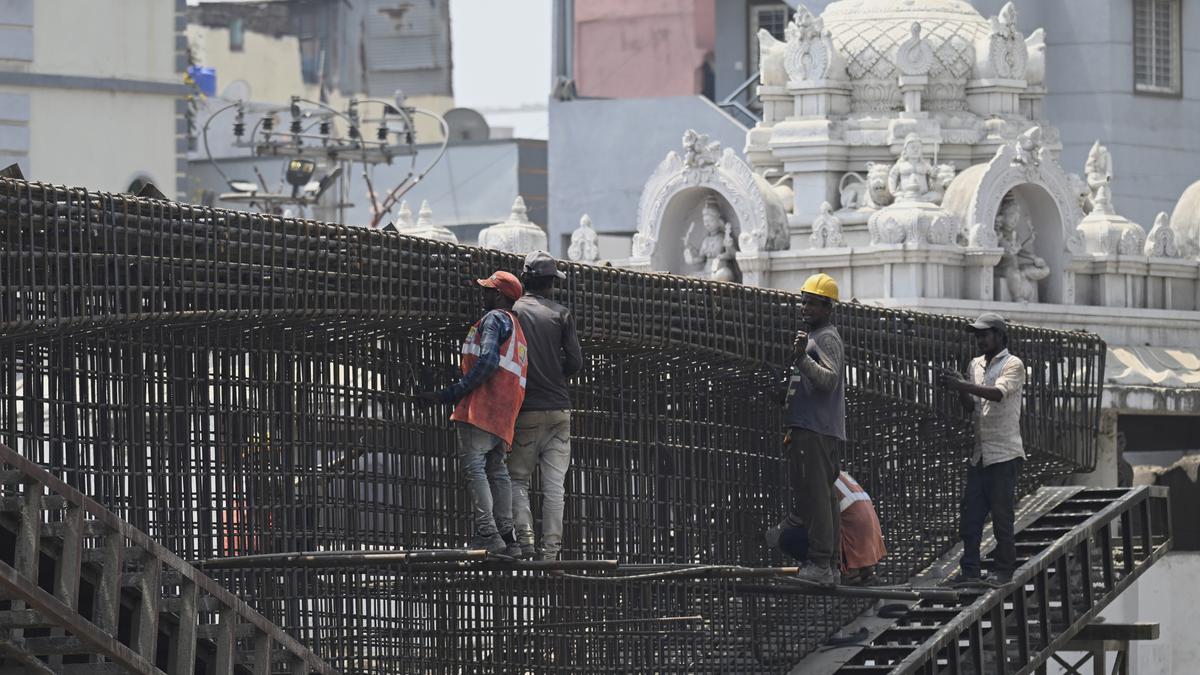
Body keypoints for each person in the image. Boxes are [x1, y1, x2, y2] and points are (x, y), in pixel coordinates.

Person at [418, 271, 529, 556]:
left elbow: (488, 360)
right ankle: (508, 537)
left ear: (501, 296)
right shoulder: (518, 329)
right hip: (504, 412)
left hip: (482, 406)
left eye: (489, 291)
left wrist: (452, 393)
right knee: (498, 470)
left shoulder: (494, 319)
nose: (484, 295)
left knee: (474, 467)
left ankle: (488, 532)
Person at [940, 312, 1026, 587]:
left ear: (999, 336)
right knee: (971, 516)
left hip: (1004, 453)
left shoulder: (1014, 365)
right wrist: (959, 388)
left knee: (1002, 517)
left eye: (984, 334)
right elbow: (970, 407)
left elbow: (998, 394)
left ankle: (1003, 570)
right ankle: (970, 571)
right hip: (980, 453)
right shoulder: (974, 365)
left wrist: (962, 385)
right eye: (977, 336)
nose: (979, 340)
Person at [510, 251, 583, 561]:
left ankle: (525, 542)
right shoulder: (561, 314)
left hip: (526, 408)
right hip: (559, 410)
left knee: (517, 479)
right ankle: (551, 553)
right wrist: (556, 375)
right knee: (555, 487)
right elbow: (576, 362)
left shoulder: (513, 312)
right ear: (551, 282)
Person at [784, 273, 847, 585]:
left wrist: (800, 360)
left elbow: (828, 380)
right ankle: (830, 565)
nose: (805, 307)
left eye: (812, 303)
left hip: (816, 430)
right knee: (823, 497)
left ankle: (821, 564)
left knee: (817, 497)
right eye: (803, 301)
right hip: (811, 427)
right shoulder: (814, 337)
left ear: (827, 308)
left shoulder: (826, 338)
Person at [766, 471, 887, 584]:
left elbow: (800, 518)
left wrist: (774, 533)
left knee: (787, 539)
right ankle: (861, 568)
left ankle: (836, 570)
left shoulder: (813, 477)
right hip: (870, 539)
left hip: (851, 537)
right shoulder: (836, 473)